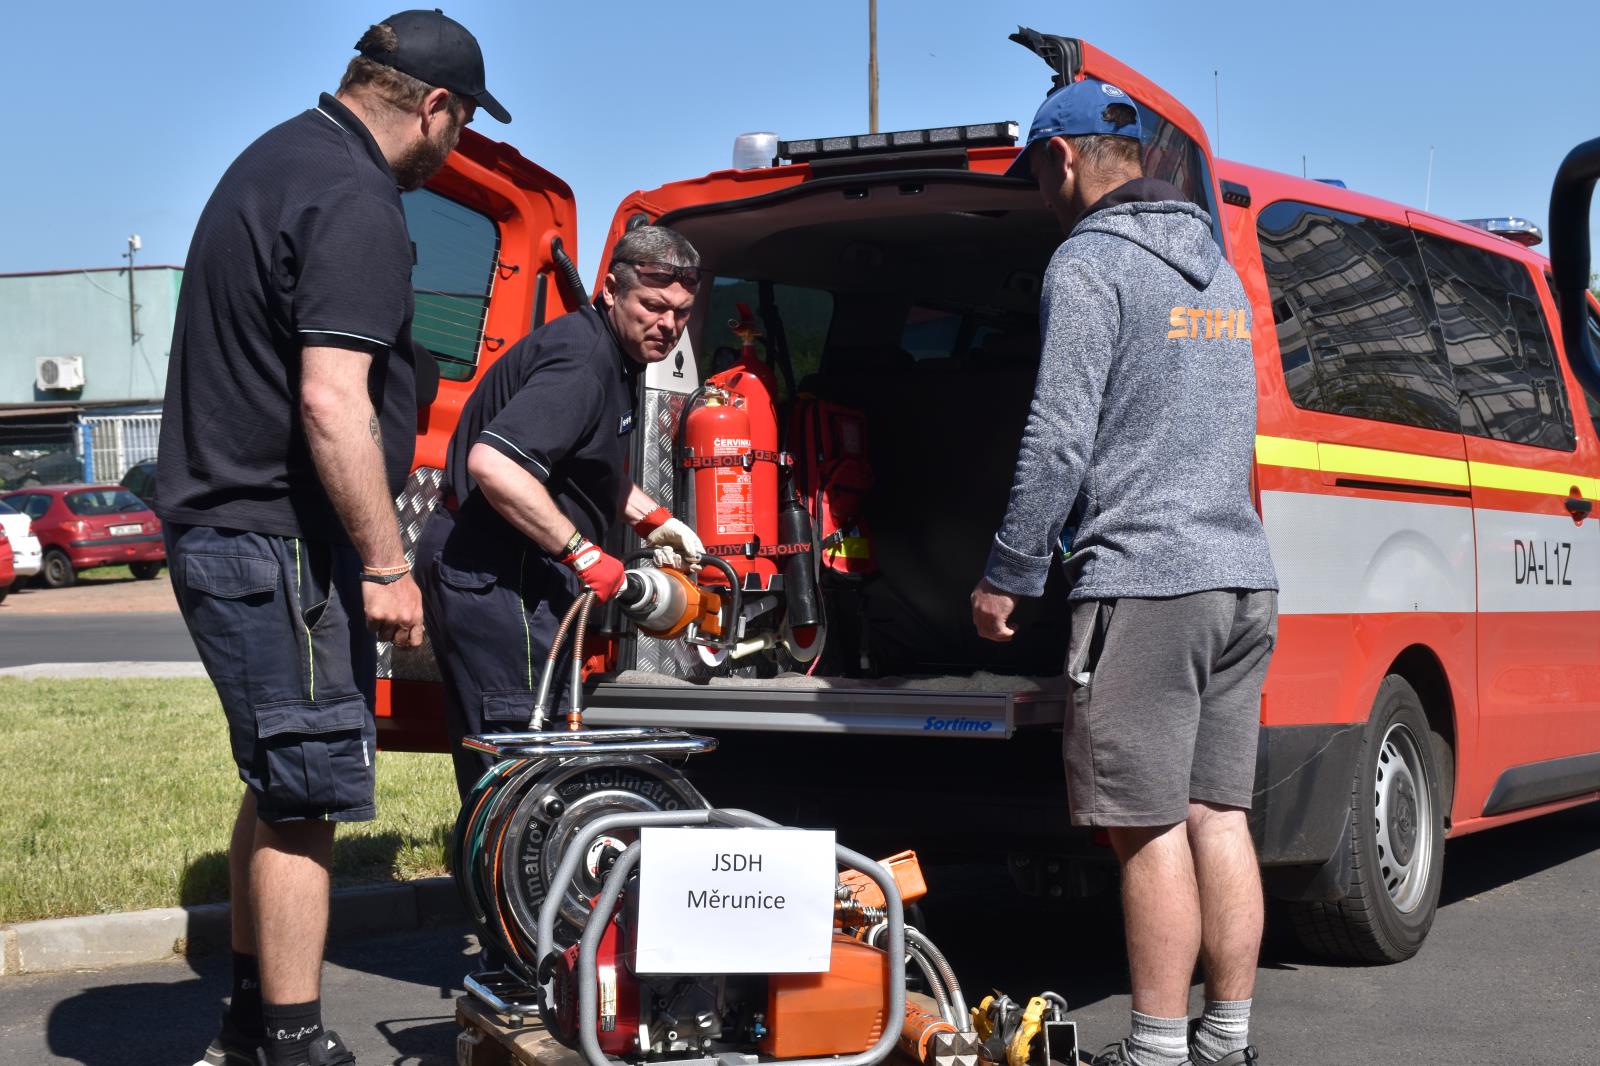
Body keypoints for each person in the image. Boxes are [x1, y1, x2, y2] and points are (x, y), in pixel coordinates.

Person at [156, 12, 510, 1066]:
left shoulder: (278, 159)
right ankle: (295, 1042)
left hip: (235, 527)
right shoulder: (355, 196)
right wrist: (388, 563)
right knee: (308, 794)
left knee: (280, 785)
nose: (456, 147)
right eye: (463, 125)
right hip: (282, 541)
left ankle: (250, 1023)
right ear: (434, 107)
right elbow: (332, 401)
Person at [970, 80, 1279, 1066]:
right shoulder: (1217, 268)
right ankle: (1224, 1042)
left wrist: (1010, 571)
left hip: (1147, 581)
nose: (1039, 195)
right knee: (1217, 816)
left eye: (1037, 174)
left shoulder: (1089, 261)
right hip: (1241, 575)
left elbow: (1057, 434)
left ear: (1061, 159)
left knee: (1144, 828)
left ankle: (1154, 1050)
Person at [416, 225, 705, 807]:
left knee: (523, 748)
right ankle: (512, 865)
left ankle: (504, 859)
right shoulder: (583, 362)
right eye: (653, 306)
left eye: (681, 313)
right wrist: (584, 552)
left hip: (511, 569)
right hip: (497, 573)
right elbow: (495, 464)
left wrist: (653, 519)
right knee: (520, 752)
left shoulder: (616, 356)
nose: (668, 325)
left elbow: (579, 464)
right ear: (611, 290)